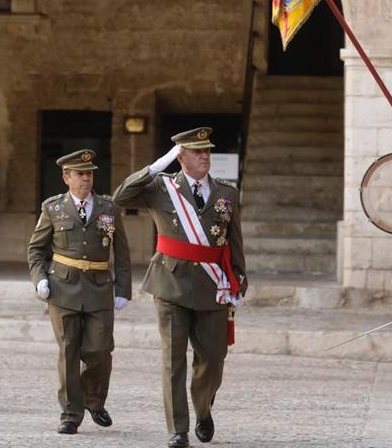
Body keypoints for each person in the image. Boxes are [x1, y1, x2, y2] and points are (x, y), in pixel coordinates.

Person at [113, 127, 247, 448]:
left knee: (213, 358)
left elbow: (235, 241)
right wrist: (157, 166)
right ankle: (178, 428)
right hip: (170, 283)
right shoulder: (162, 187)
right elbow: (121, 197)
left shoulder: (226, 193)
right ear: (181, 156)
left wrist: (238, 281)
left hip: (213, 286)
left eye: (207, 151)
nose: (205, 156)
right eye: (197, 151)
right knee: (173, 358)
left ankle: (203, 409)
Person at [27, 149, 131, 435]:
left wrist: (123, 288)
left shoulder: (109, 208)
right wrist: (39, 279)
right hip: (62, 287)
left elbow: (122, 252)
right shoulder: (53, 208)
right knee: (69, 351)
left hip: (99, 288)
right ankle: (70, 413)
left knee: (100, 350)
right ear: (66, 177)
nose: (86, 178)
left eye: (90, 173)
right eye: (80, 174)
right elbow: (36, 249)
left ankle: (93, 400)